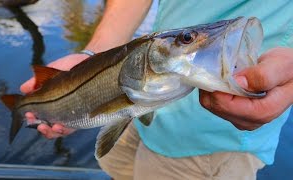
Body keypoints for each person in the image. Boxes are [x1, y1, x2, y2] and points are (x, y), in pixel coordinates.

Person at [21, 0, 293, 179]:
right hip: (146, 111)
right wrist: (93, 53)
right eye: (187, 39)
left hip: (210, 143)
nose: (191, 41)